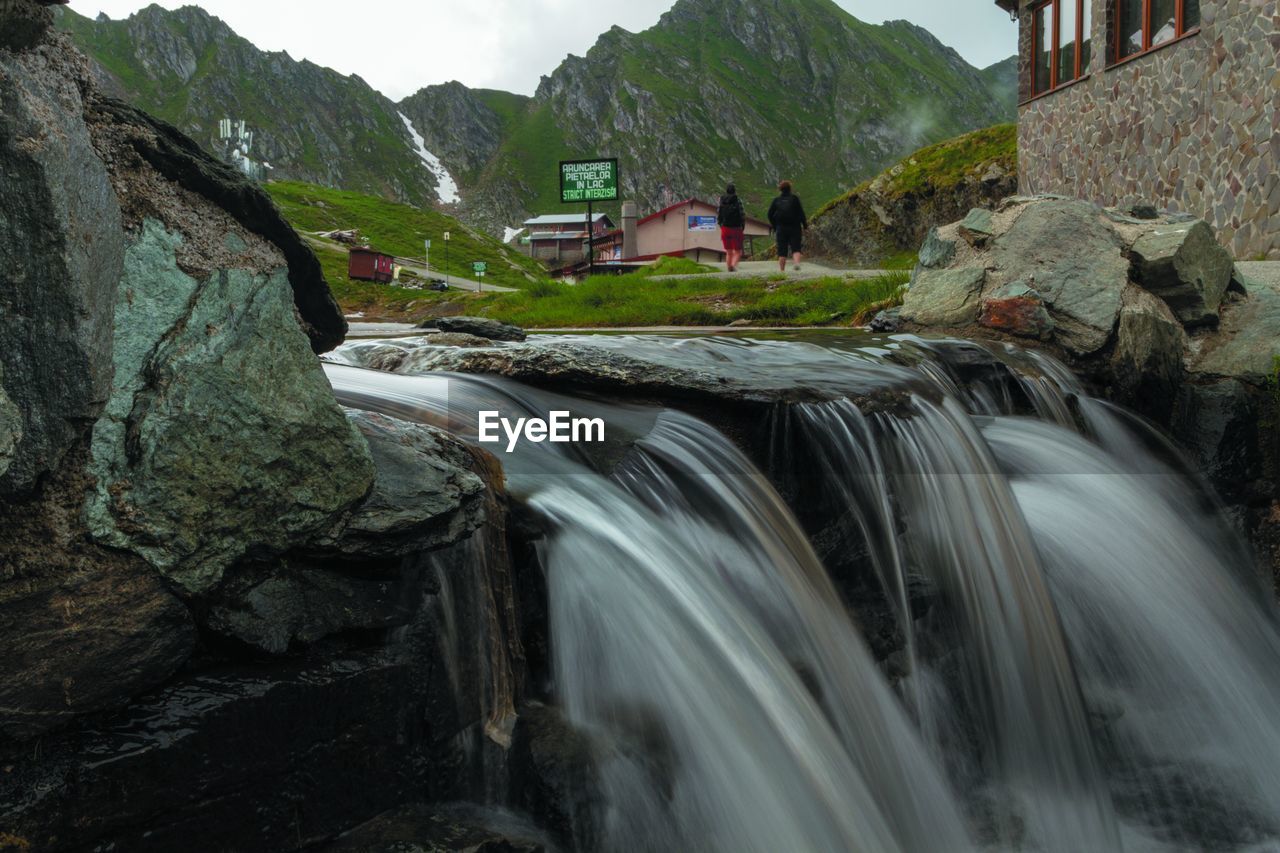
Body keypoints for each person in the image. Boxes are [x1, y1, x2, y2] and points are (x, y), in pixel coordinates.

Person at [767, 180, 807, 272]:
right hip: (795, 227)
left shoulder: (776, 200)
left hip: (781, 228)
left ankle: (782, 271)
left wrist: (775, 225)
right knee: (796, 248)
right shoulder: (794, 199)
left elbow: (769, 214)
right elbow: (801, 213)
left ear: (780, 189)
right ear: (790, 189)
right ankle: (796, 264)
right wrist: (805, 225)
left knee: (782, 251)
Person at [717, 183, 746, 272]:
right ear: (734, 191)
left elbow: (719, 213)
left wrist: (721, 225)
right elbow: (742, 214)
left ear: (726, 191)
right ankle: (733, 265)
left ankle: (729, 267)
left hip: (725, 228)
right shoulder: (738, 200)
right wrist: (742, 226)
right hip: (736, 228)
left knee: (728, 251)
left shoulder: (721, 200)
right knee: (738, 251)